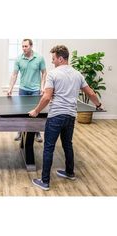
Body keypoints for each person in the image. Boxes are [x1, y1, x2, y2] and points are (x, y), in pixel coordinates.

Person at [28, 45, 104, 191]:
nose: (52, 61)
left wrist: (36, 111)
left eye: (54, 58)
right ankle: (69, 172)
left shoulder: (53, 74)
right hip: (70, 116)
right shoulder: (77, 74)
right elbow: (91, 93)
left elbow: (46, 97)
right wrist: (98, 105)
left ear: (61, 58)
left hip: (56, 115)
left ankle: (45, 181)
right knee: (67, 144)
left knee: (48, 148)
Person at [7, 39, 47, 142]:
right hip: (23, 89)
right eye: (23, 46)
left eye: (26, 46)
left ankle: (36, 133)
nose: (24, 48)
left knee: (35, 111)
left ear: (31, 46)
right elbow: (14, 74)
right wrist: (10, 88)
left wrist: (42, 87)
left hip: (35, 90)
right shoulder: (19, 59)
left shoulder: (39, 58)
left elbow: (44, 73)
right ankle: (20, 131)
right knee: (22, 111)